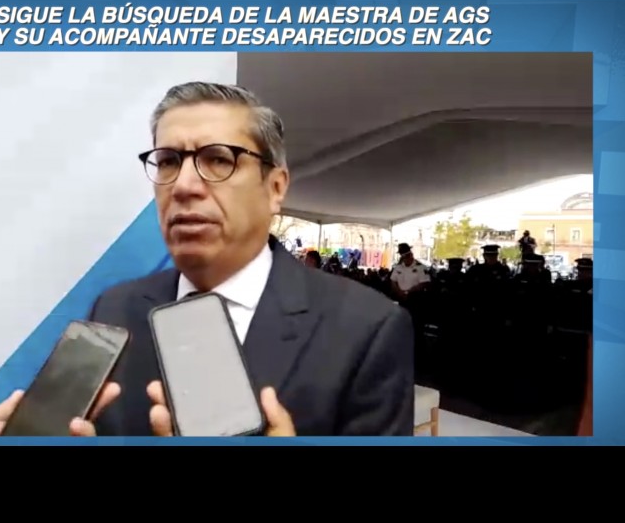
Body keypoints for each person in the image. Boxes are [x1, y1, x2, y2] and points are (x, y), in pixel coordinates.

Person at [90, 82, 414, 436]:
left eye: (218, 159)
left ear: (275, 188)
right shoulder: (113, 310)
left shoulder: (366, 329)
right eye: (168, 161)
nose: (183, 186)